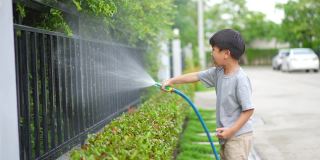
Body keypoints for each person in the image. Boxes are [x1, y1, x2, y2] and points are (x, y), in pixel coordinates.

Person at [161, 29, 254, 160]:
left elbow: (248, 110)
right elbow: (196, 76)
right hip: (226, 135)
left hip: (238, 136)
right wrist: (172, 80)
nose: (212, 54)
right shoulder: (219, 72)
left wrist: (231, 131)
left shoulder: (240, 79)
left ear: (226, 53)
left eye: (214, 50)